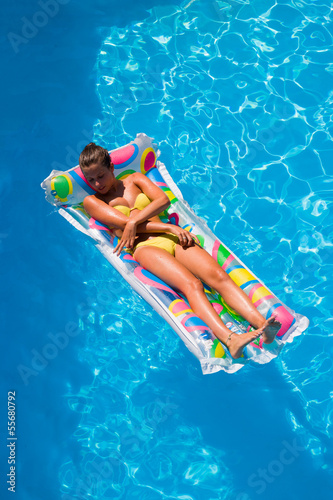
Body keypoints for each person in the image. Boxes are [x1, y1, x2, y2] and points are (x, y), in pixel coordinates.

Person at [79, 142, 281, 359]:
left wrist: (137, 221)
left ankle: (263, 327)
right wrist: (167, 226)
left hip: (173, 237)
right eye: (90, 180)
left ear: (111, 167)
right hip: (145, 247)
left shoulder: (135, 179)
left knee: (218, 276)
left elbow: (163, 200)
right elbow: (124, 222)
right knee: (192, 285)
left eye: (100, 175)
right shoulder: (92, 201)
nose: (97, 183)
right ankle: (231, 339)